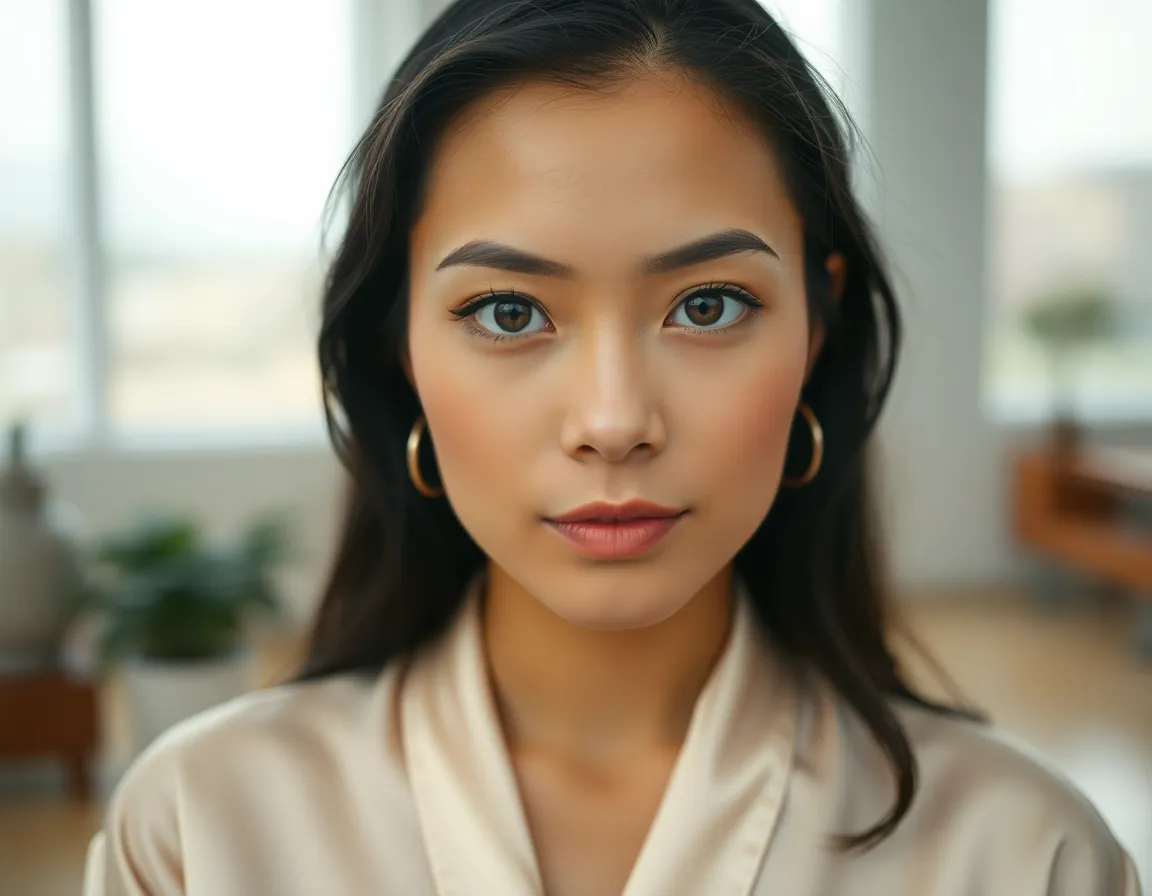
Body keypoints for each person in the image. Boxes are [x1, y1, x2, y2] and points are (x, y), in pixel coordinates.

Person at [83, 1, 1142, 893]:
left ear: (817, 323)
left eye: (710, 303)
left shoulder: (1021, 853)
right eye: (507, 312)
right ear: (397, 342)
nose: (613, 418)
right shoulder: (201, 829)